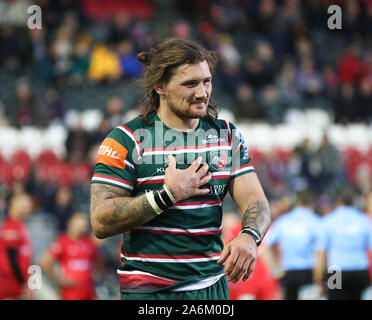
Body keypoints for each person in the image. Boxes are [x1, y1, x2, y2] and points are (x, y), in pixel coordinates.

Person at [90, 38, 271, 300]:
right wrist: (167, 195)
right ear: (160, 87)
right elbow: (100, 220)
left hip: (212, 291)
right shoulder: (127, 140)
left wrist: (250, 236)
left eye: (206, 81)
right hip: (150, 294)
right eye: (190, 84)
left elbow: (256, 200)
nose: (202, 93)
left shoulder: (227, 136)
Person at [314, 187, 372, 300]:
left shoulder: (327, 221)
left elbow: (321, 254)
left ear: (338, 201)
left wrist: (318, 280)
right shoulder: (364, 220)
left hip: (335, 270)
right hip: (360, 270)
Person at [264, 190, 320, 300]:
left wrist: (274, 268)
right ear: (310, 203)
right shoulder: (315, 221)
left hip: (287, 272)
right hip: (308, 271)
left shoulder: (283, 221)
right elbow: (321, 249)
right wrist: (320, 274)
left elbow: (266, 245)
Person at [39, 212, 102, 300]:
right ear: (70, 223)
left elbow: (99, 260)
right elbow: (44, 262)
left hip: (88, 292)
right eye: (79, 223)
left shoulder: (89, 242)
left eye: (84, 224)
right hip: (70, 293)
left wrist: (96, 275)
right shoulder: (62, 242)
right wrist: (60, 279)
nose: (82, 226)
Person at [0, 193, 34, 300]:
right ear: (13, 206)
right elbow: (12, 259)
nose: (27, 209)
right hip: (9, 281)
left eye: (29, 206)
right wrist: (24, 284)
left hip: (17, 280)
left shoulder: (21, 226)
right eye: (24, 205)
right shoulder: (11, 226)